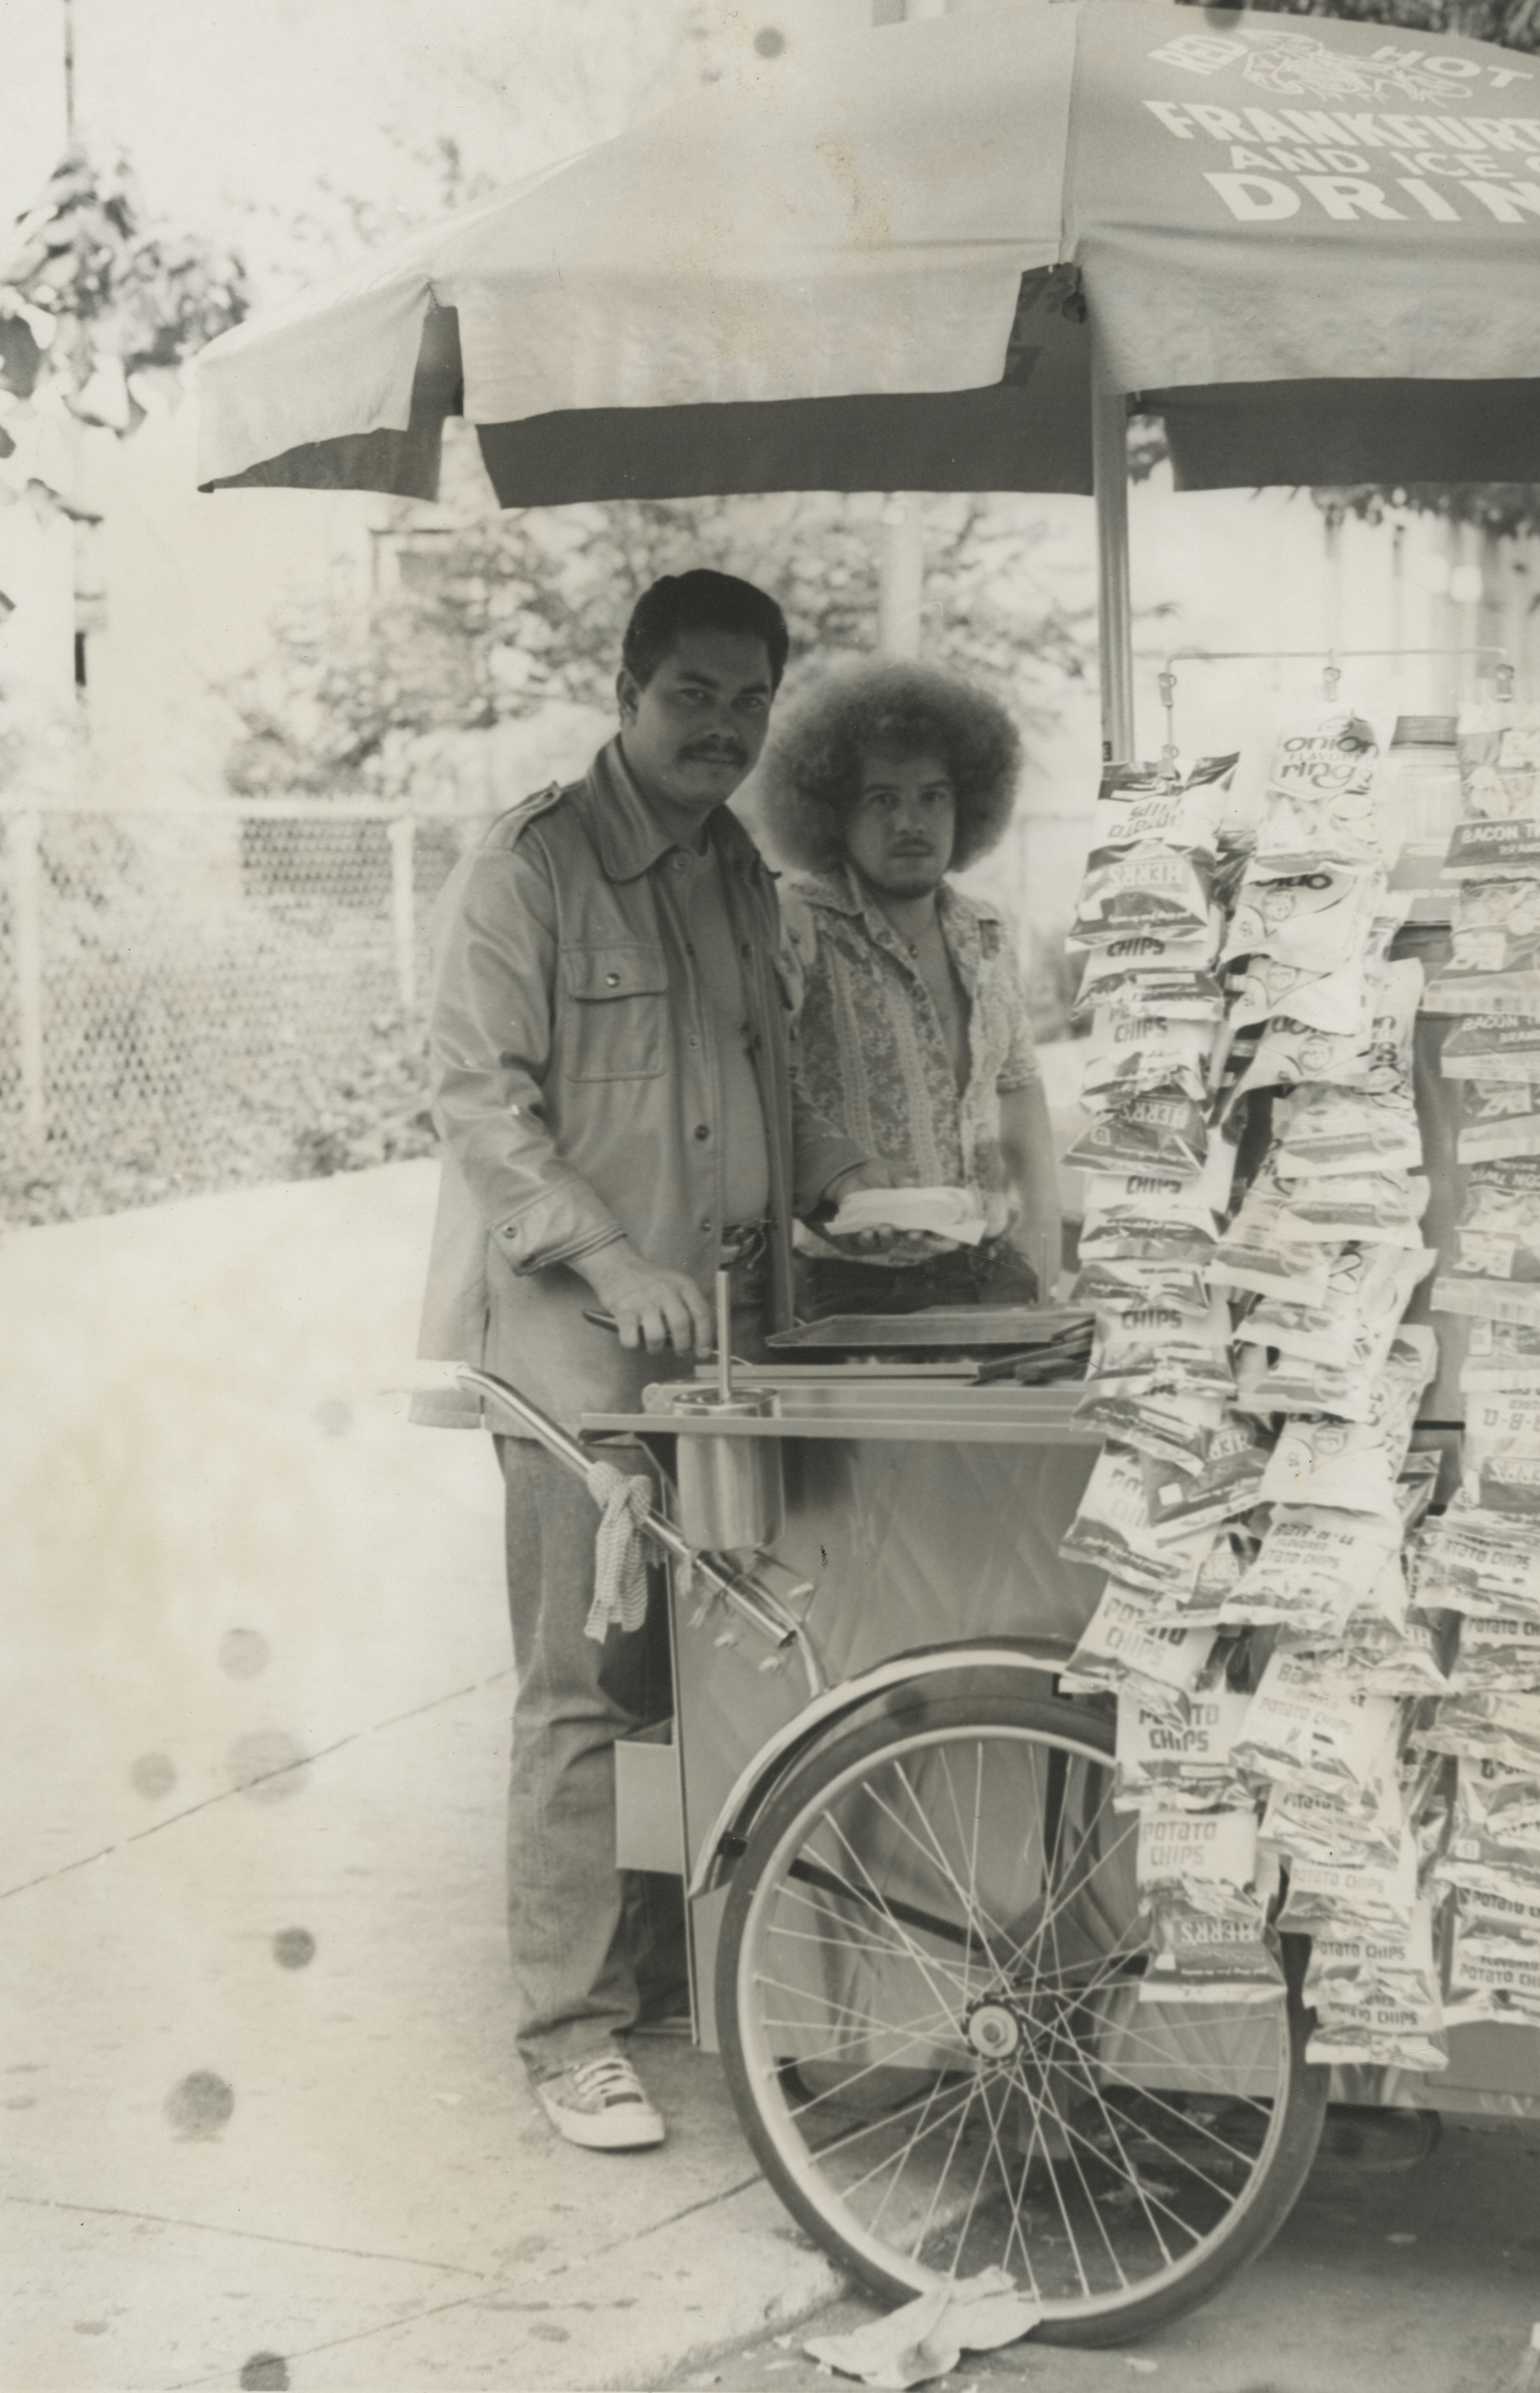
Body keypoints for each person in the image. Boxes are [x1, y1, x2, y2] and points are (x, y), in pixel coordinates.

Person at [414, 571, 879, 2153]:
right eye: (695, 695)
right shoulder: (531, 863)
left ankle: (677, 1972)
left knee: (705, 1669)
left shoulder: (737, 866)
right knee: (581, 1685)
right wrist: (610, 1259)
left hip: (729, 1348)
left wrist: (850, 1210)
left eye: (751, 703)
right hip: (574, 1358)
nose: (726, 730)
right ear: (626, 690)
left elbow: (773, 1077)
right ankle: (568, 2030)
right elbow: (481, 1101)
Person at [759, 659, 1062, 1318]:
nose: (911, 822)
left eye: (933, 796)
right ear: (833, 810)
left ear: (969, 804)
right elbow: (762, 1089)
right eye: (883, 799)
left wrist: (1044, 1227)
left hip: (991, 1273)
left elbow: (1017, 1084)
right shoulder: (797, 924)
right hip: (851, 1291)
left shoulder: (985, 930)